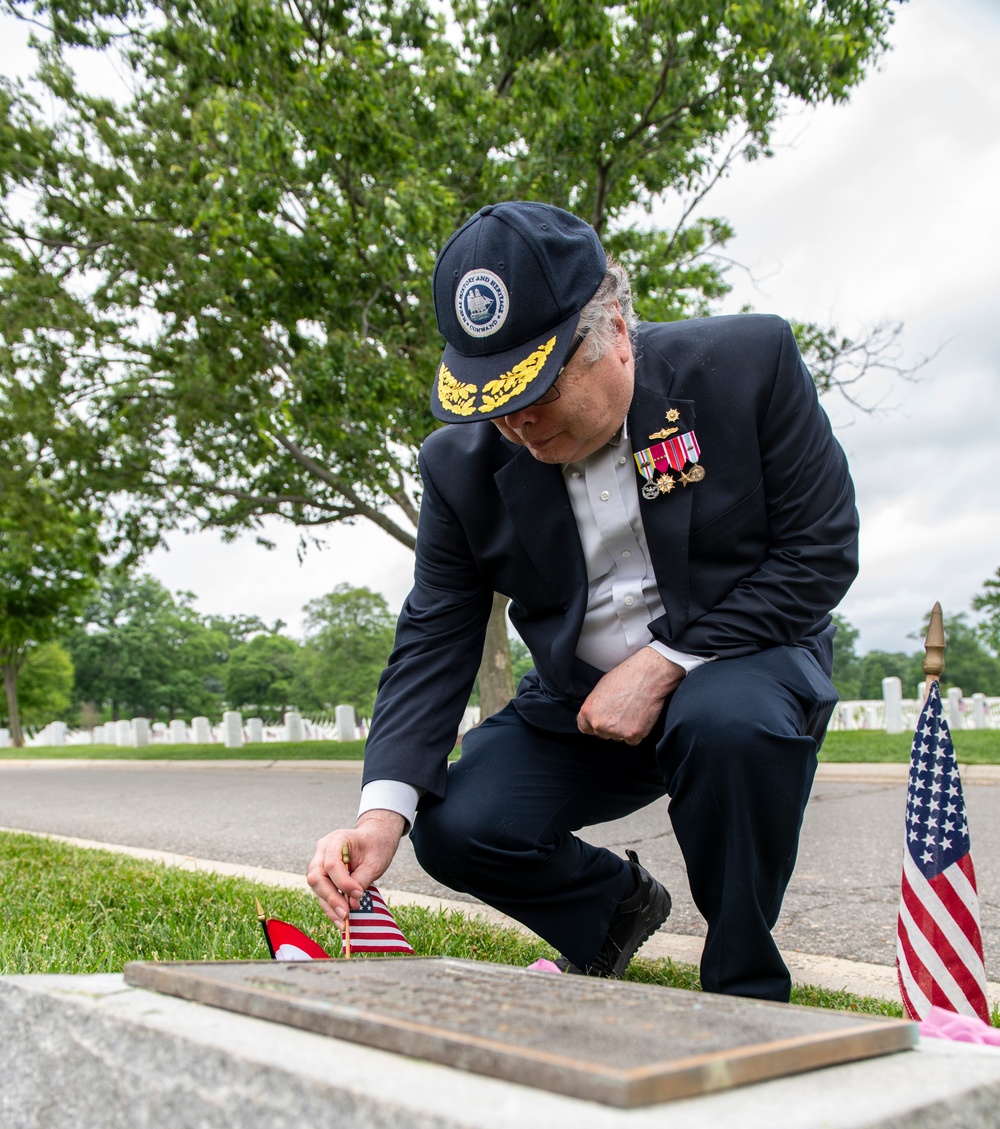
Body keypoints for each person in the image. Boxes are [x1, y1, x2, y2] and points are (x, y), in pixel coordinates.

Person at [307, 201, 858, 1002]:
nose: (518, 421)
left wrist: (665, 665)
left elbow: (820, 552)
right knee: (459, 825)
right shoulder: (457, 467)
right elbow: (435, 635)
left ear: (616, 333)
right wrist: (378, 815)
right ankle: (612, 915)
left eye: (537, 385)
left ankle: (744, 986)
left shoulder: (750, 364)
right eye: (489, 396)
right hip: (582, 705)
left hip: (746, 664)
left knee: (725, 720)